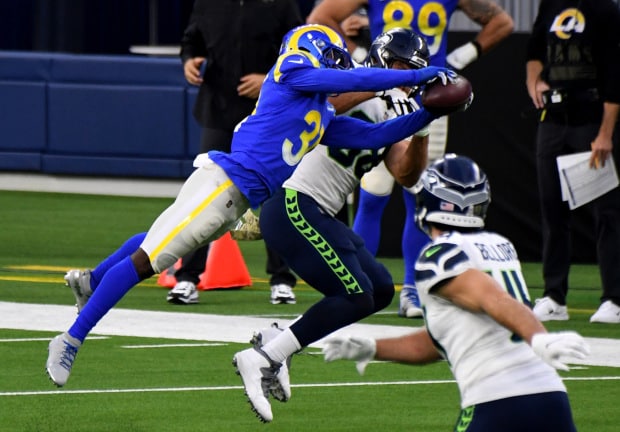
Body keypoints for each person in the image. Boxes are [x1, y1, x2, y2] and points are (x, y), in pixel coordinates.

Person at [45, 23, 456, 389]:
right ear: (315, 51)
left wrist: (427, 116)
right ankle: (71, 338)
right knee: (148, 259)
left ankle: (93, 280)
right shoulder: (291, 72)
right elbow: (355, 78)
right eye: (334, 61)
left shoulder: (320, 111)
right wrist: (421, 75)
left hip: (240, 195)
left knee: (167, 238)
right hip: (223, 183)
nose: (339, 70)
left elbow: (374, 136)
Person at [232, 28, 467, 423]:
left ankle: (278, 340)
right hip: (292, 202)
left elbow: (405, 175)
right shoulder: (348, 79)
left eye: (413, 71)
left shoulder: (399, 108)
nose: (405, 76)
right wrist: (382, 84)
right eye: (399, 66)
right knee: (355, 293)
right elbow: (327, 103)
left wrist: (424, 125)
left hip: (319, 211)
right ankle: (265, 357)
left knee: (377, 290)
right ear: (380, 60)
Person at [322, 154, 590, 431]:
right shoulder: (500, 246)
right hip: (551, 398)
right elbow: (444, 340)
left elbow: (493, 298)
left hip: (496, 401)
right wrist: (375, 348)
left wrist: (539, 338)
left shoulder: (440, 254)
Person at [307, 0, 514, 319]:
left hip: (424, 97)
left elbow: (503, 22)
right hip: (378, 94)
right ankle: (356, 285)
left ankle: (413, 292)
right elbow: (320, 17)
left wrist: (463, 55)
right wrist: (363, 63)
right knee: (372, 195)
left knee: (420, 197)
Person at [166, 0, 303, 306]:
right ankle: (187, 278)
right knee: (204, 192)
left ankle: (282, 279)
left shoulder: (281, 4)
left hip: (266, 112)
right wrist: (190, 60)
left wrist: (268, 78)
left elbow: (298, 50)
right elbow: (192, 40)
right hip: (218, 108)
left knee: (275, 193)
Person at [525, 0, 620, 324]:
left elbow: (613, 72)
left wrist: (606, 133)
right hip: (553, 120)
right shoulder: (550, 4)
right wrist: (534, 82)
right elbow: (534, 51)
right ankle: (554, 296)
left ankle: (614, 299)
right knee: (552, 209)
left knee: (606, 212)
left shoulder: (605, 8)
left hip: (592, 120)